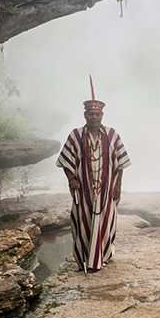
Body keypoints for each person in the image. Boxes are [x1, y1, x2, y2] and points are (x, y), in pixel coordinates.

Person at [56, 78, 131, 272]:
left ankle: (103, 256)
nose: (94, 117)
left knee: (107, 222)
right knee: (82, 222)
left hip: (106, 190)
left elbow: (121, 162)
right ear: (85, 115)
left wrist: (118, 185)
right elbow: (65, 160)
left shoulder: (113, 134)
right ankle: (84, 259)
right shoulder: (75, 135)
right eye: (91, 114)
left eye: (97, 114)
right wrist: (71, 178)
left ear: (102, 115)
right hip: (84, 190)